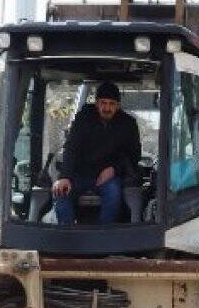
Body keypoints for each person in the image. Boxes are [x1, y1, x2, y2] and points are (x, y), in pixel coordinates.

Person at [50, 81, 141, 225]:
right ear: (96, 103)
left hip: (109, 176)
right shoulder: (83, 119)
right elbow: (71, 147)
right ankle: (66, 235)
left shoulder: (128, 124)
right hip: (79, 174)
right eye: (103, 103)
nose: (107, 108)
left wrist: (114, 169)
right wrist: (65, 176)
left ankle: (103, 235)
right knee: (61, 192)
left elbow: (134, 155)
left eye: (112, 104)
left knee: (114, 193)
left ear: (118, 106)